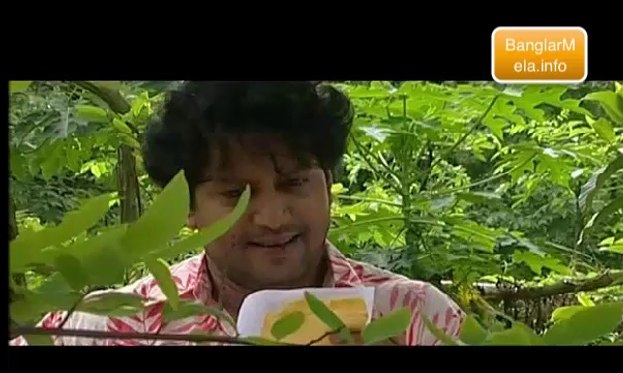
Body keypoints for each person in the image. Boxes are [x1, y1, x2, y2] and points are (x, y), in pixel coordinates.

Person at [11, 81, 464, 346]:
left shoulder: (416, 319)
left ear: (327, 183)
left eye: (294, 183)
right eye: (235, 194)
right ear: (186, 207)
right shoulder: (112, 328)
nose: (273, 217)